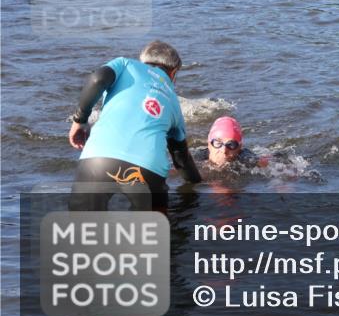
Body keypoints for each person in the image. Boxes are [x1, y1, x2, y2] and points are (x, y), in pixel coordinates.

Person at [68, 41, 201, 212]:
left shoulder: (125, 64)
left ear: (142, 60)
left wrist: (80, 120)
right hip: (148, 170)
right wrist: (199, 185)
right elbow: (181, 160)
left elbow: (97, 79)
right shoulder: (174, 102)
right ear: (173, 72)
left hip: (98, 160)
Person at [195, 116, 264, 170]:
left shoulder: (244, 157)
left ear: (239, 147)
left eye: (231, 145)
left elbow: (264, 164)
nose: (224, 150)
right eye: (218, 143)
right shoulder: (199, 157)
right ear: (209, 144)